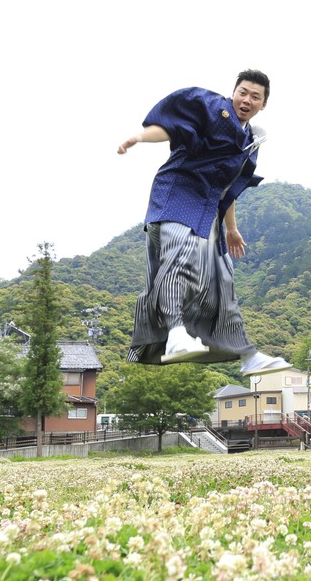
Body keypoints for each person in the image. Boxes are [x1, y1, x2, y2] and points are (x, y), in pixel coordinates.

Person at [117, 69, 290, 376]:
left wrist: (231, 228)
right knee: (180, 256)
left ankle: (246, 355)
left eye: (255, 96)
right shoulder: (211, 109)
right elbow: (173, 129)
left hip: (207, 209)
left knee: (223, 278)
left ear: (263, 104)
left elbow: (228, 186)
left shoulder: (250, 142)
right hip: (178, 194)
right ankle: (175, 334)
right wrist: (141, 137)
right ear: (233, 92)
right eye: (243, 92)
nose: (246, 99)